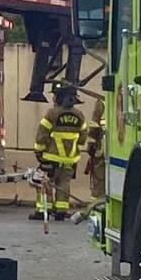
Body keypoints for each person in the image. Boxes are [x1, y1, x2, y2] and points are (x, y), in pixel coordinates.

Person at [30, 80, 85, 222]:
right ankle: (61, 210)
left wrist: (39, 152)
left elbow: (42, 135)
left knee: (45, 182)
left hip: (50, 157)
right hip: (70, 159)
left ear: (60, 98)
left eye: (55, 95)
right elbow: (82, 137)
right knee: (64, 184)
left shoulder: (52, 114)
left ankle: (43, 210)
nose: (53, 98)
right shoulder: (80, 115)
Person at [85, 94, 106, 202]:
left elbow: (94, 125)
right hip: (116, 151)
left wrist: (90, 145)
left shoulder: (101, 102)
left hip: (101, 151)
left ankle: (96, 210)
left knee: (98, 183)